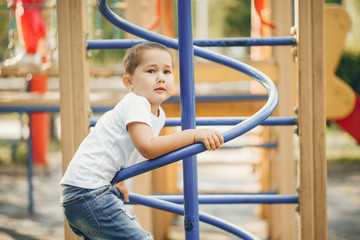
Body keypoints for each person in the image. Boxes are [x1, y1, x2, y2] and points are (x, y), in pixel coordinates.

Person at [60, 42, 224, 240]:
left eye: (167, 71)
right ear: (129, 83)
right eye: (151, 71)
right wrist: (193, 135)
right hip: (88, 193)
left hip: (85, 193)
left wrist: (118, 180)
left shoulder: (157, 114)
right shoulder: (136, 102)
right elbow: (147, 147)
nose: (160, 78)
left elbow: (117, 148)